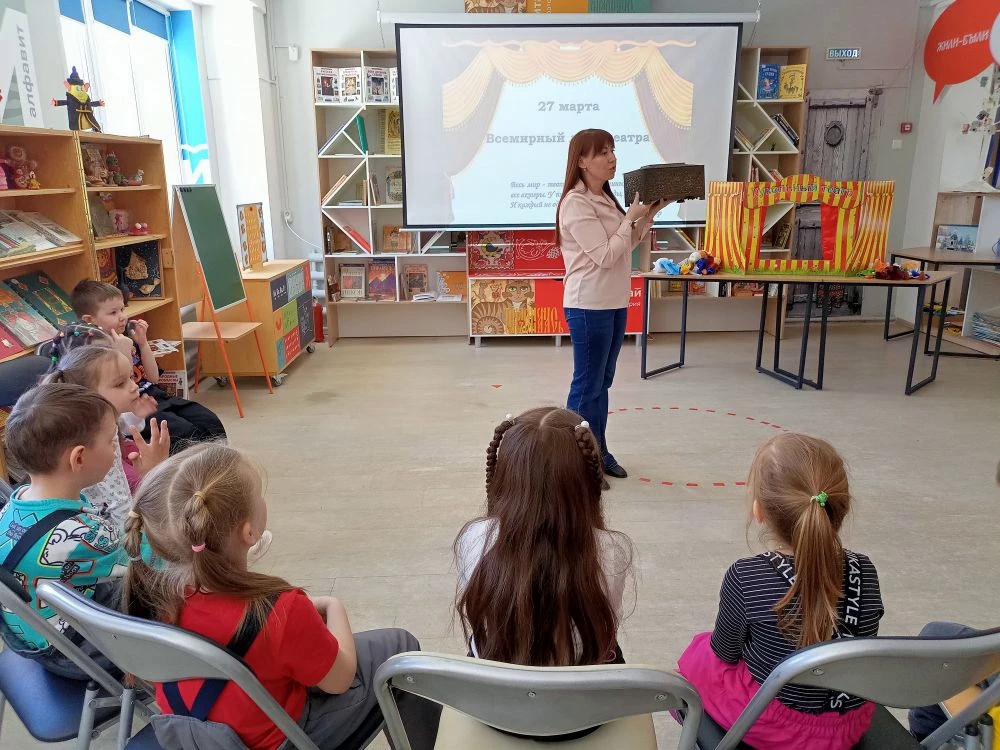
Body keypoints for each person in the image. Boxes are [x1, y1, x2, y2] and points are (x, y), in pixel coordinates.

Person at [121, 443, 439, 750]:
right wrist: (334, 606)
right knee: (400, 646)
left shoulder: (151, 595)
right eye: (258, 496)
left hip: (196, 732)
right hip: (279, 739)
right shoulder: (278, 610)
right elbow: (339, 680)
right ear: (249, 532)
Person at [678, 433, 884, 750]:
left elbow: (725, 653)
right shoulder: (864, 569)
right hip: (848, 724)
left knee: (699, 654)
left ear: (759, 511)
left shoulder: (746, 576)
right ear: (839, 509)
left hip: (777, 726)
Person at [455, 406, 634, 667]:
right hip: (586, 684)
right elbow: (605, 627)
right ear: (589, 484)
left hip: (492, 678)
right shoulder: (611, 549)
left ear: (501, 476)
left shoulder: (473, 537)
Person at [554, 129, 664, 482]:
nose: (612, 158)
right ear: (582, 161)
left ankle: (598, 451)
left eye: (612, 150)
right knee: (587, 385)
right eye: (602, 152)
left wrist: (647, 216)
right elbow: (604, 255)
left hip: (613, 302)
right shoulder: (576, 202)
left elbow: (624, 245)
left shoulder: (605, 198)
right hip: (588, 305)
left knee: (602, 382)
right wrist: (630, 218)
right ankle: (574, 460)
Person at [0, 383, 128, 679]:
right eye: (112, 440)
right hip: (75, 654)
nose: (116, 447)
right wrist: (155, 480)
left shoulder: (14, 504)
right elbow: (147, 562)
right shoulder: (84, 535)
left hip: (28, 635)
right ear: (78, 458)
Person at [71, 280, 226, 450]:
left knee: (209, 421)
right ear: (89, 320)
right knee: (185, 434)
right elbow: (124, 388)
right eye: (113, 312)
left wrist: (143, 344)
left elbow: (154, 378)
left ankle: (218, 462)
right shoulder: (95, 354)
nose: (122, 317)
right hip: (134, 410)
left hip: (157, 397)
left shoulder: (127, 339)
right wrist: (123, 353)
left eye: (122, 309)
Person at [43, 345, 170, 526]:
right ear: (88, 394)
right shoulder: (96, 446)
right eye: (120, 384)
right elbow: (119, 508)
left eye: (131, 377)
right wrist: (153, 474)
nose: (134, 386)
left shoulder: (102, 423)